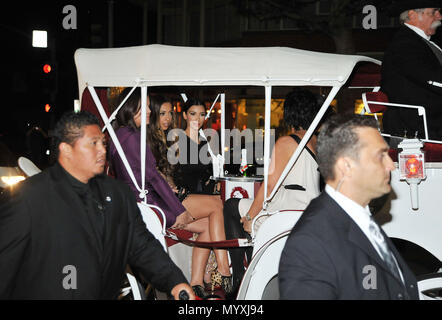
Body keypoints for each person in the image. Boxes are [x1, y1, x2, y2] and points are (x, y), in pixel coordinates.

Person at [0, 111, 194, 299]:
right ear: (67, 149)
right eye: (93, 144)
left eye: (103, 143)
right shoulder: (30, 198)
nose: (102, 150)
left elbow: (142, 246)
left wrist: (175, 281)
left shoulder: (118, 194)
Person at [279, 114, 419, 300]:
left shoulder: (360, 219)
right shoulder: (310, 244)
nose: (391, 165)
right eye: (380, 156)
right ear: (346, 166)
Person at [109, 89, 232, 299]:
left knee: (209, 225)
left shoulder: (122, 135)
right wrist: (178, 210)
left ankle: (196, 282)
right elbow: (153, 178)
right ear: (131, 107)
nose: (149, 111)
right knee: (216, 205)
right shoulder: (132, 137)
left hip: (146, 202)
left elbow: (153, 175)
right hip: (151, 206)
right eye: (145, 106)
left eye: (149, 106)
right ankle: (224, 270)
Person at [223, 88, 323, 294]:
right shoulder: (317, 141)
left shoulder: (287, 142)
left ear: (290, 114)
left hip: (287, 210)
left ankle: (241, 276)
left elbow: (269, 186)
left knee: (231, 206)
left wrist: (250, 216)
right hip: (309, 210)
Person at [381, 1, 442, 140]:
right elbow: (430, 78)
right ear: (413, 15)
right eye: (433, 12)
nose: (439, 17)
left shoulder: (424, 43)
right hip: (417, 127)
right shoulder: (405, 44)